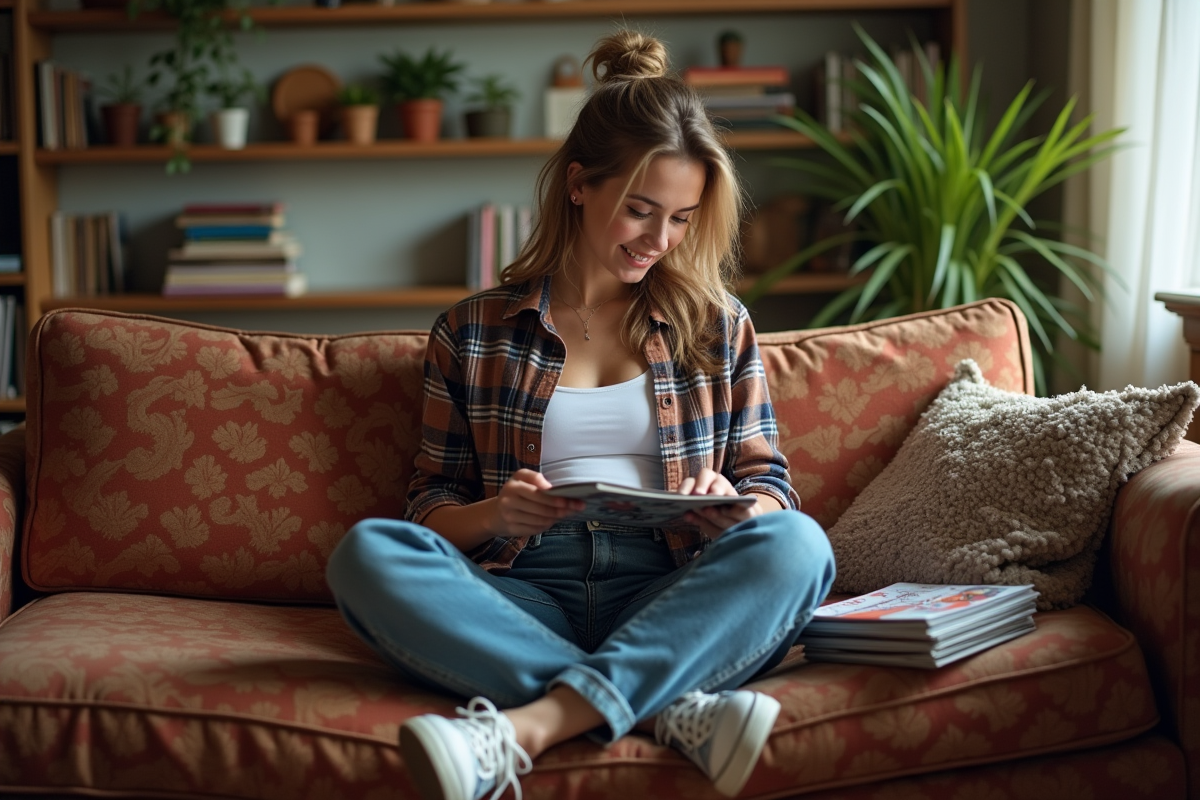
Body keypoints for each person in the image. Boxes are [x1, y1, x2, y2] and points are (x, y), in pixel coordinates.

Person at [326, 30, 836, 800]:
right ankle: (669, 706)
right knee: (366, 556)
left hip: (671, 584)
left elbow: (772, 486)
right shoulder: (471, 331)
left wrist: (735, 509)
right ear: (577, 185)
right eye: (640, 211)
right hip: (522, 592)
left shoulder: (718, 324)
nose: (658, 241)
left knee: (798, 545)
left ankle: (527, 728)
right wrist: (499, 514)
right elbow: (429, 505)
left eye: (681, 218)